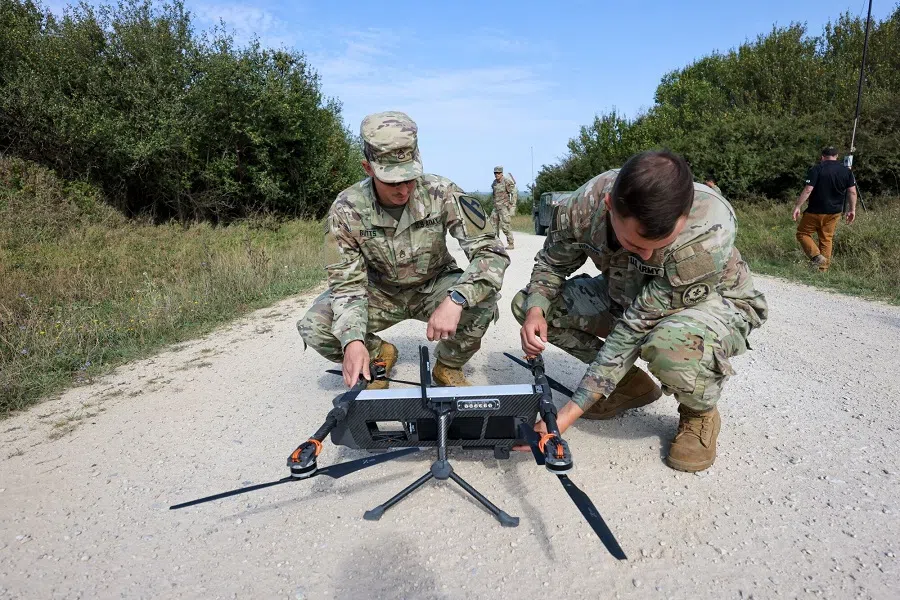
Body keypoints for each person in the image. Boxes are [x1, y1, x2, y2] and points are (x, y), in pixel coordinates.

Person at [513, 150, 768, 472]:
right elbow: (552, 263)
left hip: (711, 304)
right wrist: (536, 309)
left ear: (684, 216)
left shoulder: (707, 232)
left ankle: (699, 413)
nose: (648, 256)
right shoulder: (581, 207)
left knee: (670, 344)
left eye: (660, 245)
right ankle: (629, 387)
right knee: (532, 304)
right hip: (627, 296)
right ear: (609, 208)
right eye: (634, 244)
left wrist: (567, 416)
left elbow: (635, 328)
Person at [297, 111, 509, 389]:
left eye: (409, 178)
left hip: (433, 286)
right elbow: (347, 287)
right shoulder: (346, 209)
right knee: (316, 326)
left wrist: (457, 299)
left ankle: (448, 366)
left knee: (482, 297)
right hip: (378, 292)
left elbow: (491, 254)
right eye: (392, 182)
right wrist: (352, 340)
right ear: (368, 168)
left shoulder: (442, 192)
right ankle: (377, 354)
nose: (404, 190)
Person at [791, 146, 858, 272]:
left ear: (822, 157)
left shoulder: (816, 169)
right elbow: (852, 192)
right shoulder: (846, 171)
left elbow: (808, 189)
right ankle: (823, 269)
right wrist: (852, 209)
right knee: (826, 238)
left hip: (815, 211)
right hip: (834, 212)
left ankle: (816, 256)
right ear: (837, 156)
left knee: (802, 234)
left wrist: (798, 206)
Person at [491, 166, 517, 249]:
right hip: (496, 207)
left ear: (501, 173)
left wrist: (512, 204)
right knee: (493, 226)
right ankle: (496, 243)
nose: (497, 175)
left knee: (505, 225)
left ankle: (510, 243)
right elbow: (494, 195)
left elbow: (514, 193)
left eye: (498, 173)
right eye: (495, 173)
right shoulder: (494, 183)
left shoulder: (506, 181)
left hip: (504, 207)